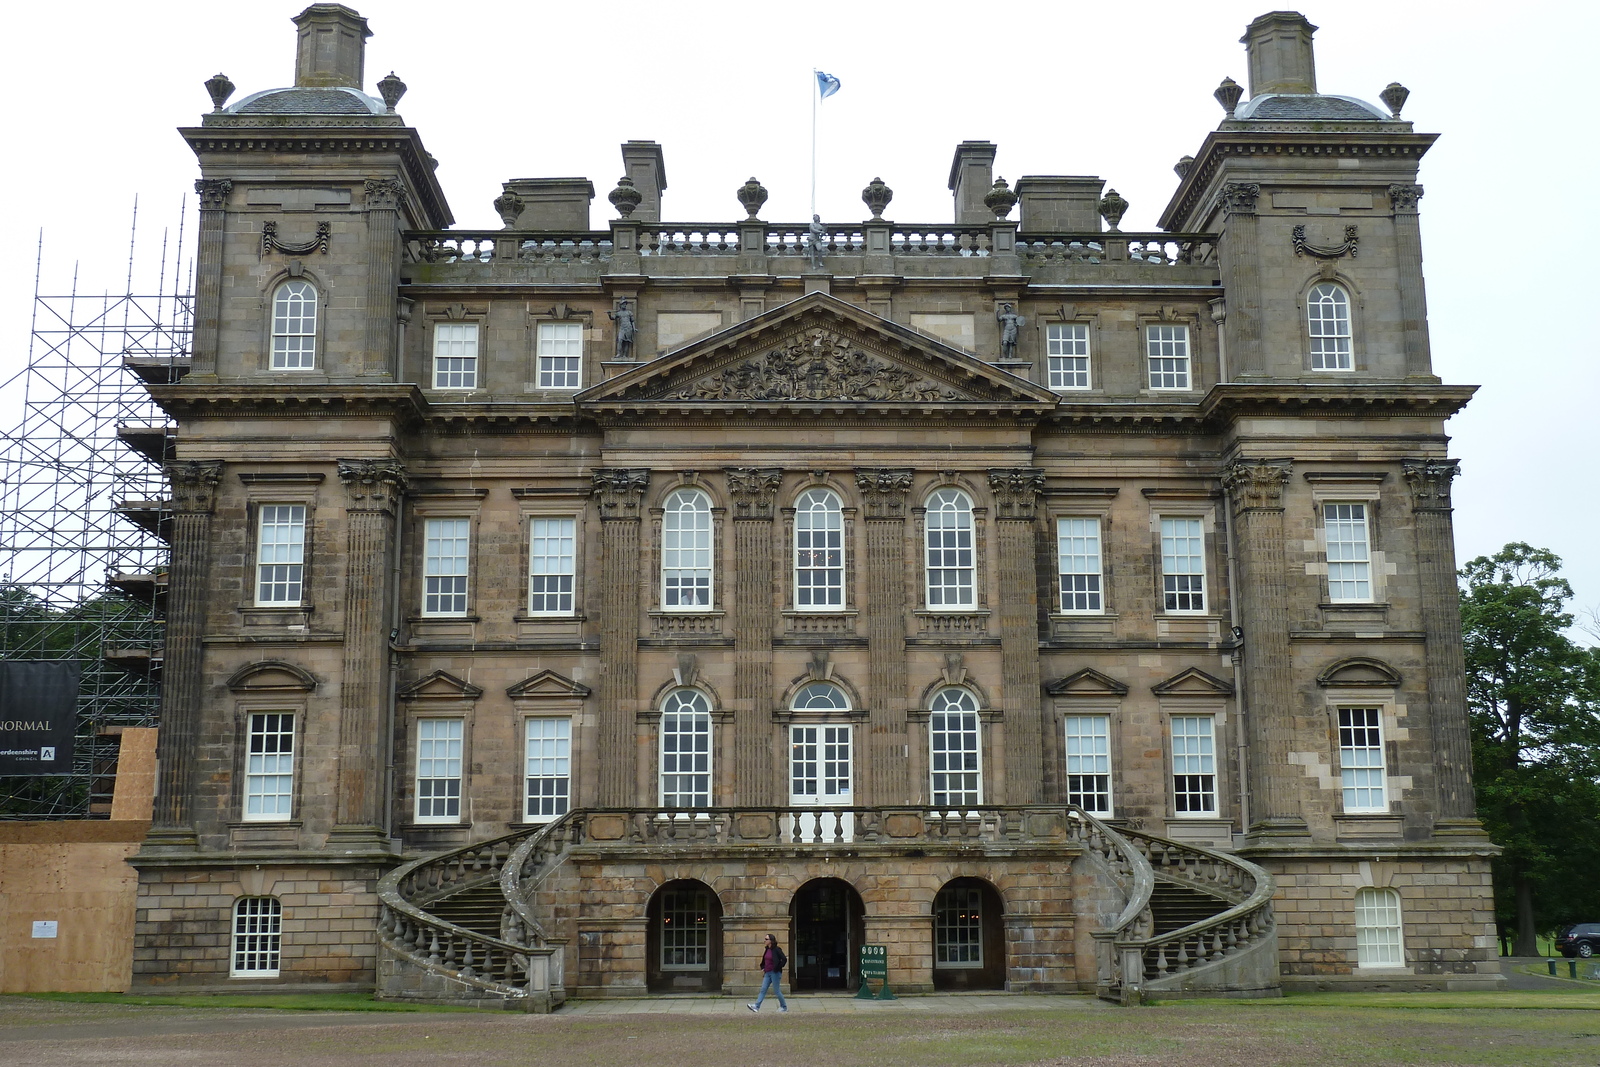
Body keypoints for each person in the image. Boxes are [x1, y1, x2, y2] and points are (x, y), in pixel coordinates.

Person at [747, 933, 788, 1013]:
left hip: (775, 973)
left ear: (771, 941)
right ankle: (756, 1006)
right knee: (763, 989)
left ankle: (784, 1007)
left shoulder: (777, 949)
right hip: (767, 972)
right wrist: (763, 967)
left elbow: (784, 959)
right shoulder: (767, 949)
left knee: (776, 991)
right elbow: (764, 960)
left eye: (766, 939)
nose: (764, 941)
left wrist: (778, 967)